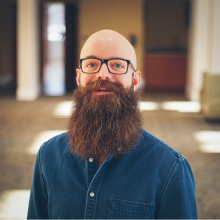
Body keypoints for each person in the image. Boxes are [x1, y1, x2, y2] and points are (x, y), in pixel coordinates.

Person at [27, 30, 197, 219]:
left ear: (135, 80)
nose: (102, 74)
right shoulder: (48, 156)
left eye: (117, 65)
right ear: (78, 77)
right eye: (91, 64)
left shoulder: (170, 168)